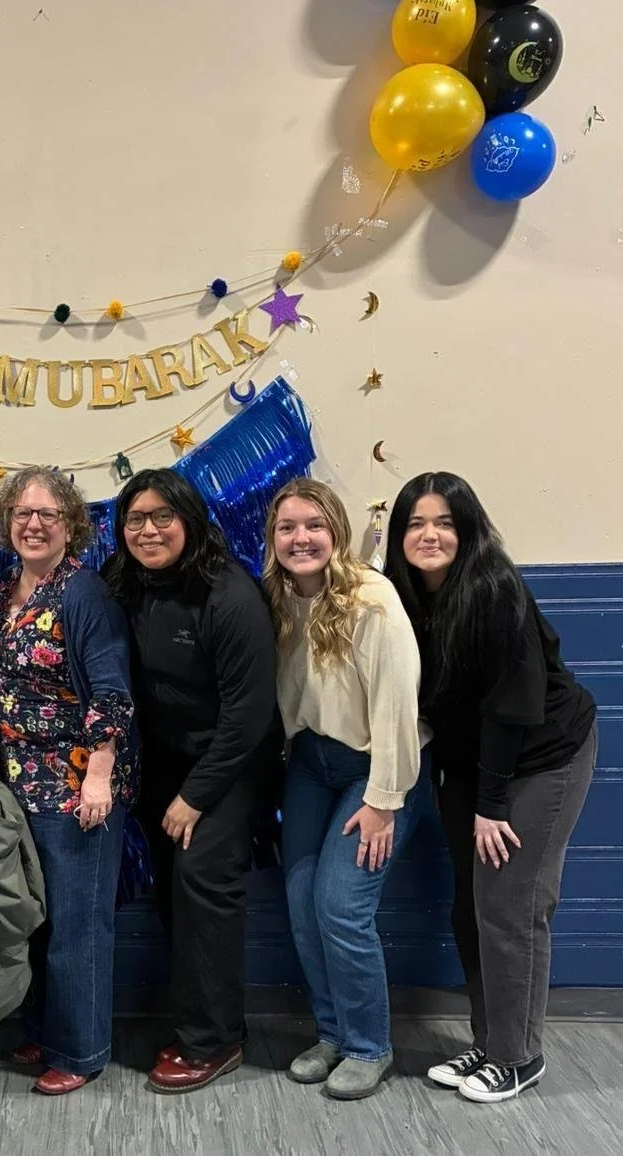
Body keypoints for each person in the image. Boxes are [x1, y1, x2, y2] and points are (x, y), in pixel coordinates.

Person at [386, 472, 597, 1104]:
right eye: (417, 523)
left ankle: (518, 1054)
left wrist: (490, 805)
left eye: (444, 522)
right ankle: (490, 1039)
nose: (429, 534)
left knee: (511, 908)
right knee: (471, 908)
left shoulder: (495, 588)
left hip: (540, 756)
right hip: (471, 766)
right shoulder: (400, 597)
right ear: (398, 535)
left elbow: (512, 707)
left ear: (468, 529)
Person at [102, 468, 279, 1094]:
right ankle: (201, 1022)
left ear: (189, 521)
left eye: (161, 517)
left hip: (227, 763)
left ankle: (213, 1042)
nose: (148, 530)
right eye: (135, 519)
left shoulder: (229, 595)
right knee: (177, 893)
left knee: (203, 881)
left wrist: (193, 797)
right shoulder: (123, 583)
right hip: (161, 760)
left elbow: (249, 717)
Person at [264, 478, 428, 1100]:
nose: (300, 538)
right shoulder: (277, 597)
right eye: (287, 527)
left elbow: (396, 707)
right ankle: (332, 1032)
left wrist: (384, 801)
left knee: (342, 905)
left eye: (313, 525)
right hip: (309, 764)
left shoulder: (371, 599)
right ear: (273, 538)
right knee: (303, 904)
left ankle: (368, 1045)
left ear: (335, 530)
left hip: (374, 768)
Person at [0, 466, 137, 1096]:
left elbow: (112, 693)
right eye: (22, 513)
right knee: (40, 920)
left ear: (71, 523)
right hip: (20, 781)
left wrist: (99, 777)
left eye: (48, 513)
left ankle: (79, 1051)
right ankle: (45, 1030)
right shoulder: (4, 589)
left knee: (78, 923)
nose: (35, 523)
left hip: (78, 783)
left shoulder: (84, 594)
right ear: (7, 524)